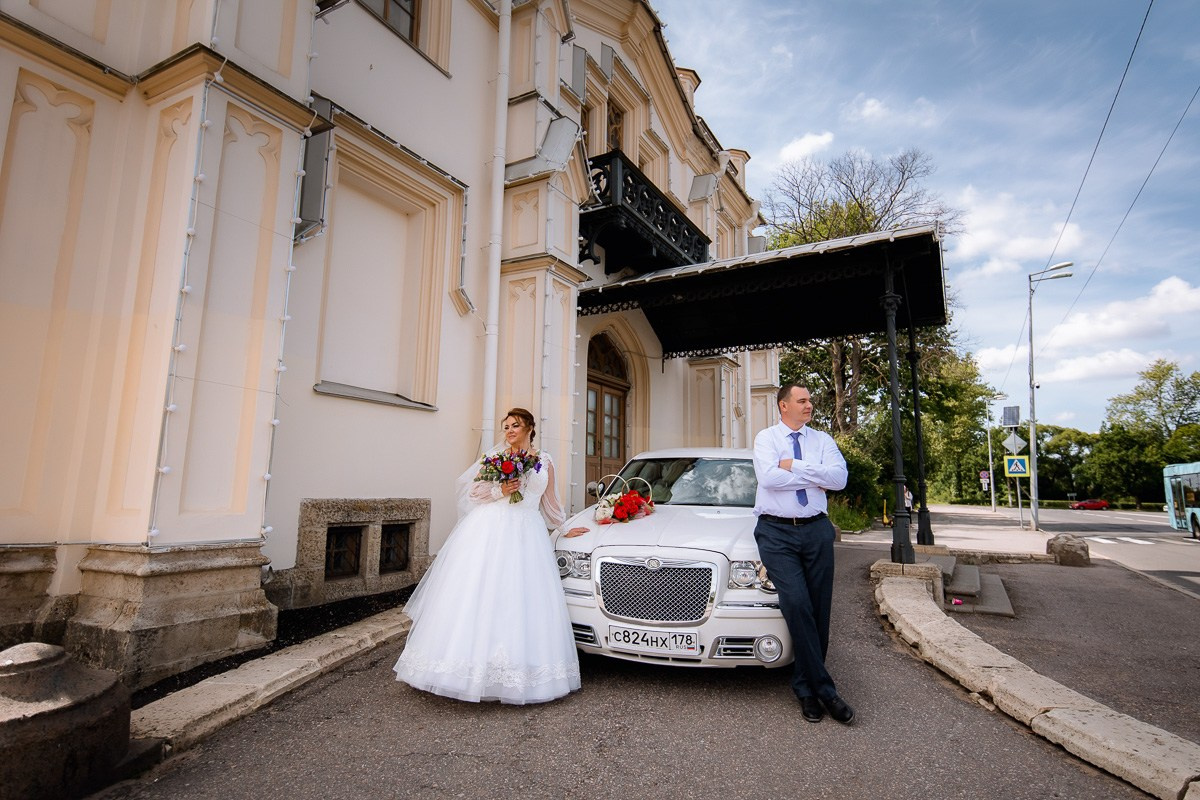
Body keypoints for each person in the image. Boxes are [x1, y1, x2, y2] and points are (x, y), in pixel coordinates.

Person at [393, 408, 581, 704]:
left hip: (528, 532)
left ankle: (521, 670)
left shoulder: (544, 461)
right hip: (493, 528)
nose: (509, 431)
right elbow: (473, 494)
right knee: (481, 592)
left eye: (515, 425)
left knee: (521, 598)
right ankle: (461, 670)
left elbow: (550, 501)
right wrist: (501, 490)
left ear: (530, 428)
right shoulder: (494, 458)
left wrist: (565, 527)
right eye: (506, 426)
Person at [751, 384, 853, 725]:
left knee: (819, 608)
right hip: (775, 531)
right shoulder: (766, 439)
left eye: (810, 400)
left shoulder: (822, 440)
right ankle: (826, 689)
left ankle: (806, 688)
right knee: (796, 602)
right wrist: (814, 476)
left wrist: (793, 465)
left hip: (816, 530)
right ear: (784, 405)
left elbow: (839, 479)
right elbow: (768, 478)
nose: (810, 405)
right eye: (803, 400)